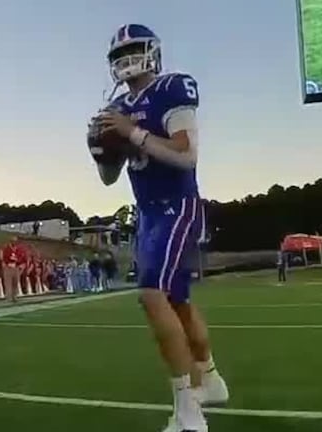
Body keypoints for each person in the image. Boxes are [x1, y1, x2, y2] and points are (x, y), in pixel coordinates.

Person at [90, 24, 229, 432]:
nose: (126, 59)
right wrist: (102, 151)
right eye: (119, 53)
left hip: (177, 205)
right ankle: (212, 379)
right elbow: (108, 178)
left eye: (133, 49)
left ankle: (188, 409)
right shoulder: (116, 104)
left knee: (151, 294)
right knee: (178, 303)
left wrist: (131, 132)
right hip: (147, 213)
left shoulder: (172, 87)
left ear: (153, 51)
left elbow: (186, 156)